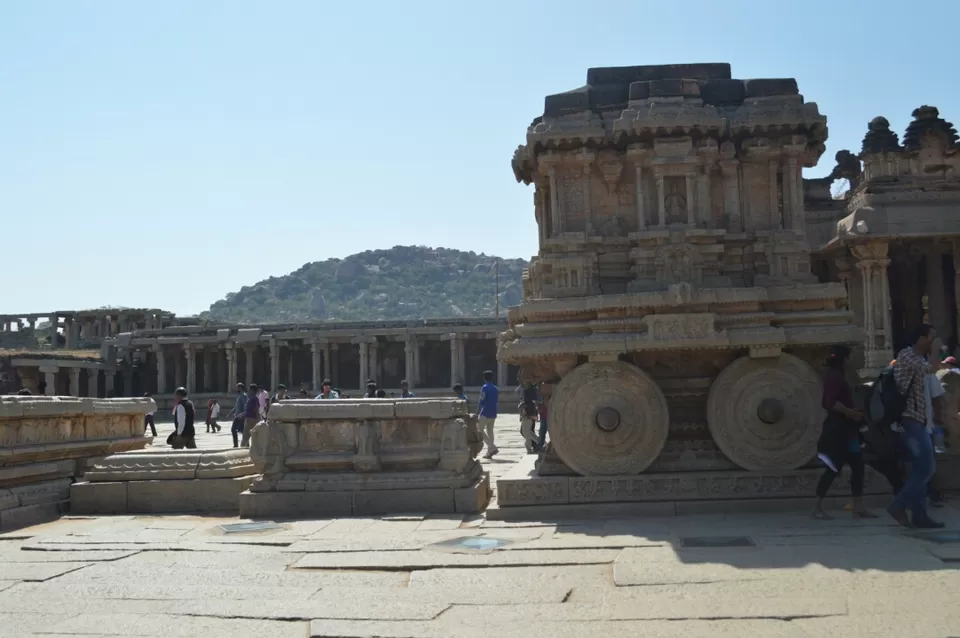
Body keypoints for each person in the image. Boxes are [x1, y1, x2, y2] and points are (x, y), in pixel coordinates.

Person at [889, 324, 943, 528]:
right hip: (909, 419)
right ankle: (898, 505)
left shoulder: (917, 358)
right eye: (931, 338)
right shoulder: (907, 356)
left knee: (920, 468)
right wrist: (937, 350)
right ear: (921, 339)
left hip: (919, 420)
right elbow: (932, 368)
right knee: (926, 467)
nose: (933, 342)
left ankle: (920, 515)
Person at [812, 346, 874, 519]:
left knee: (858, 467)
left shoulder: (839, 376)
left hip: (848, 431)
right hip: (839, 430)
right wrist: (850, 412)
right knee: (833, 468)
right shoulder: (835, 377)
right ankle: (817, 507)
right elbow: (830, 402)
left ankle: (858, 506)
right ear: (844, 359)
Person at [478, 370, 499, 459]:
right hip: (493, 412)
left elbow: (482, 400)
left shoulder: (485, 387)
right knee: (490, 431)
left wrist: (477, 412)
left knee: (479, 430)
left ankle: (492, 447)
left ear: (484, 378)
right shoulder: (496, 388)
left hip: (485, 412)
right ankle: (489, 452)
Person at [519, 383, 540, 454]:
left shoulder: (528, 391)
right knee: (529, 432)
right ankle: (540, 443)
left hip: (528, 414)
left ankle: (530, 448)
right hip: (530, 414)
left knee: (526, 433)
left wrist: (526, 413)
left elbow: (529, 403)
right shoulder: (532, 390)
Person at [226, 383, 247, 448]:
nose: (236, 389)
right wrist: (229, 414)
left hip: (240, 416)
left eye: (237, 387)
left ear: (240, 388)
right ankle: (246, 443)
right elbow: (235, 407)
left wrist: (242, 414)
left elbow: (245, 406)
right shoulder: (239, 396)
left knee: (233, 429)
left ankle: (236, 445)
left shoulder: (243, 396)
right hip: (238, 415)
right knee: (242, 430)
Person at [242, 383, 261, 448]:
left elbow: (256, 409)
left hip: (251, 420)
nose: (248, 391)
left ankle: (242, 450)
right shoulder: (251, 398)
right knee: (247, 437)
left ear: (252, 390)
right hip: (248, 418)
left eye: (249, 390)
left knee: (245, 437)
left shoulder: (254, 398)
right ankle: (246, 448)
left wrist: (258, 420)